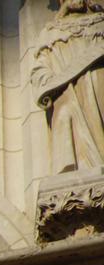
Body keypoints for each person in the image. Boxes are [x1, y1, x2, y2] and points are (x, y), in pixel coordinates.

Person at [31, 0, 104, 173]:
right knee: (64, 117)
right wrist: (48, 85)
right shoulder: (50, 33)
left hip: (99, 86)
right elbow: (40, 71)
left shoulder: (100, 22)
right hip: (67, 93)